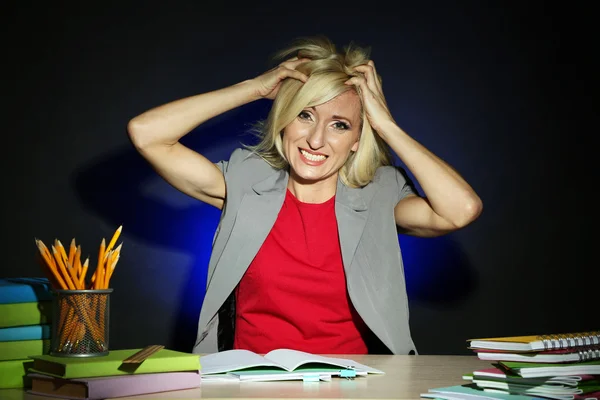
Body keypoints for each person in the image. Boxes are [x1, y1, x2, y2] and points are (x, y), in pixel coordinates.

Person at [127, 36, 483, 355]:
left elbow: (461, 210)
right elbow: (146, 133)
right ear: (284, 120)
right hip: (250, 385)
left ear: (357, 139)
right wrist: (253, 88)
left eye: (339, 125)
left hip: (358, 386)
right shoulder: (246, 180)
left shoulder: (380, 193)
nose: (316, 140)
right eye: (305, 115)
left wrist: (385, 124)